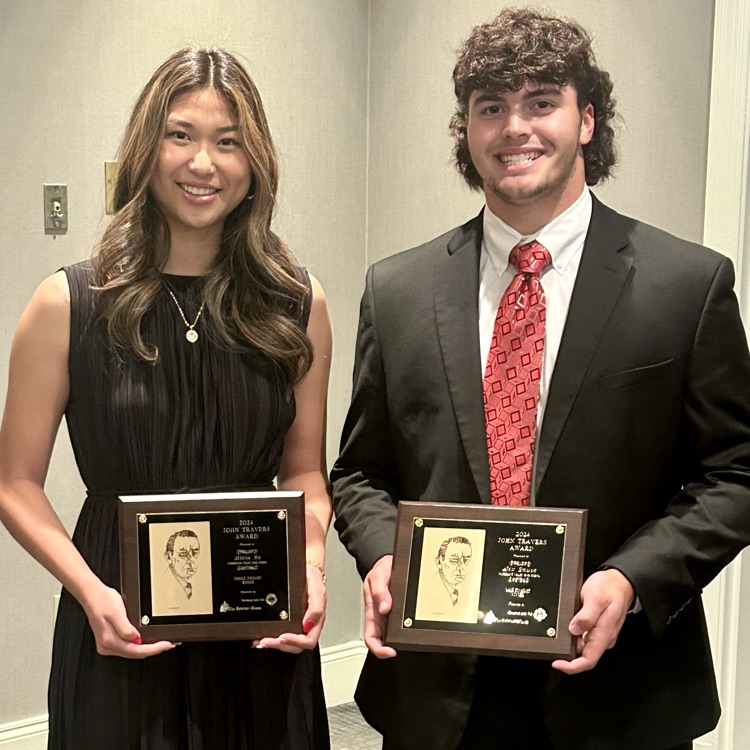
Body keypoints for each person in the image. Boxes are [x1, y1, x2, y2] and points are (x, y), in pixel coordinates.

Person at [331, 8, 750, 750]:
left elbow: (735, 474)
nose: (515, 128)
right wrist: (384, 555)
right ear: (466, 131)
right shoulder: (396, 289)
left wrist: (630, 581)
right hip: (439, 695)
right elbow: (361, 473)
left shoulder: (687, 285)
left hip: (619, 689)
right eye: (491, 107)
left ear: (587, 119)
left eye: (541, 102)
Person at [0, 47, 332, 749]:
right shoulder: (67, 302)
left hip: (255, 616)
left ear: (256, 162)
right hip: (117, 618)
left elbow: (304, 471)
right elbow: (15, 484)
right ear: (144, 149)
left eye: (228, 141)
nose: (202, 163)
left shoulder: (298, 303)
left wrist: (308, 570)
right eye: (180, 135)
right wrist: (91, 595)